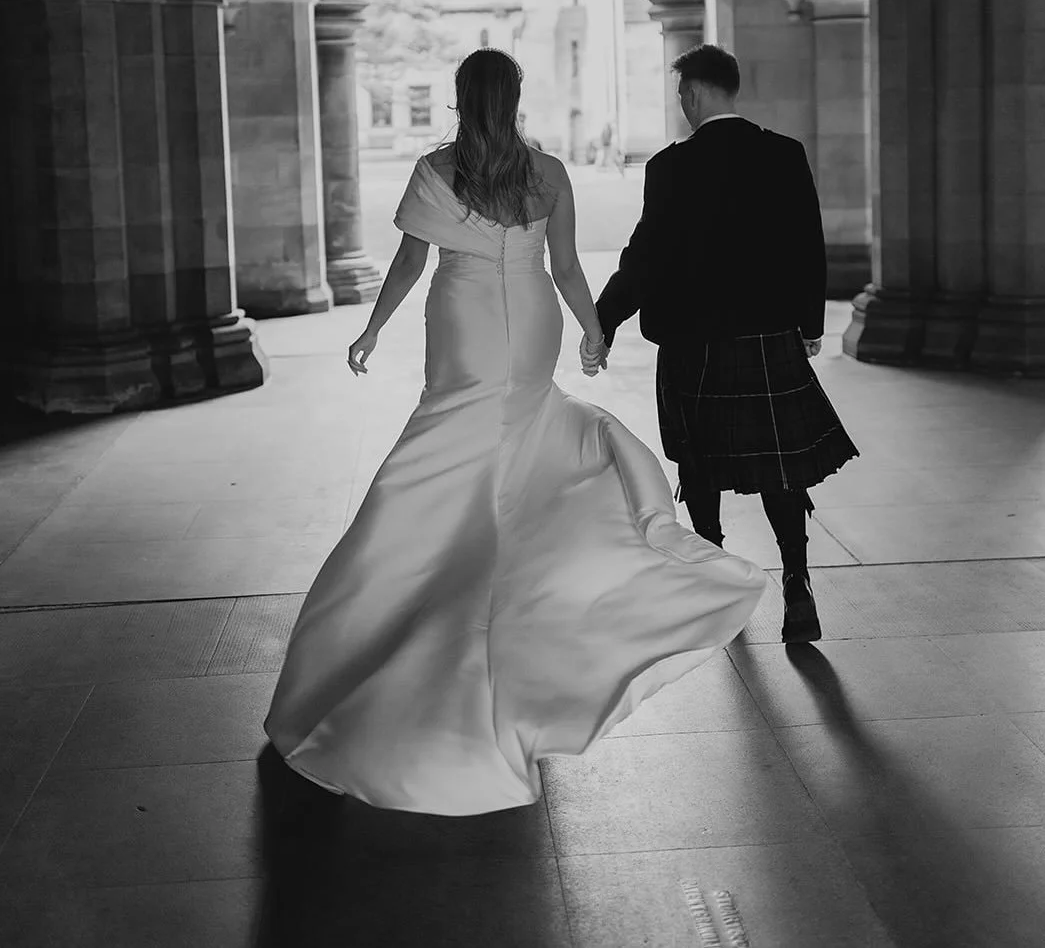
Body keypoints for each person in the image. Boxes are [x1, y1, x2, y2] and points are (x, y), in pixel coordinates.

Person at [264, 49, 765, 815]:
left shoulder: (437, 168)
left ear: (463, 98)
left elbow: (406, 261)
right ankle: (512, 602)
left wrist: (370, 329)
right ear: (517, 96)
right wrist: (592, 333)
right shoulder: (549, 172)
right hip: (529, 318)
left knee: (441, 452)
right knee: (525, 445)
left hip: (463, 320)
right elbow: (564, 266)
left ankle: (420, 611)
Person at [592, 44, 859, 643]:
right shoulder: (784, 155)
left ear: (693, 93)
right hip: (768, 339)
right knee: (781, 468)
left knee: (700, 460)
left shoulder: (670, 168)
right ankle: (797, 582)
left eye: (681, 94)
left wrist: (602, 321)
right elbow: (806, 245)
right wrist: (810, 325)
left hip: (694, 344)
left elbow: (646, 260)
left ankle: (716, 586)